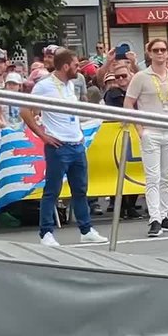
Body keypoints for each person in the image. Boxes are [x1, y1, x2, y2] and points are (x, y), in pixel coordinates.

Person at [20, 48, 108, 247]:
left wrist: (79, 133)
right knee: (52, 190)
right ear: (66, 66)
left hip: (76, 144)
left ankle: (86, 230)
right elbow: (24, 109)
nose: (79, 69)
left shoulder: (70, 84)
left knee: (80, 190)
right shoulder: (44, 86)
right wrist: (43, 135)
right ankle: (46, 233)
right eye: (76, 65)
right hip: (58, 146)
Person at [127, 38, 168, 238]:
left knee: (166, 177)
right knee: (152, 177)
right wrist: (140, 129)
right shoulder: (141, 77)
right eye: (156, 50)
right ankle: (154, 218)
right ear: (150, 53)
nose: (160, 53)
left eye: (163, 50)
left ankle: (163, 215)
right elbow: (128, 103)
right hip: (151, 132)